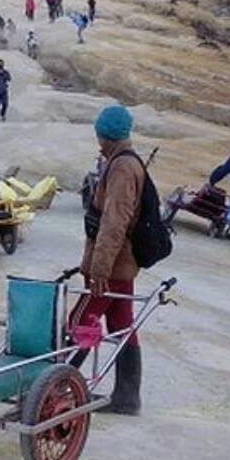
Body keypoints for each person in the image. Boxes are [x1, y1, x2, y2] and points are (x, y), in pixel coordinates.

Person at [70, 104, 144, 415]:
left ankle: (58, 386)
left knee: (79, 322)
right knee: (121, 324)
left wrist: (99, 267)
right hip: (122, 265)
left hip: (112, 266)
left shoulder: (122, 168)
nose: (98, 142)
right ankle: (127, 399)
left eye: (100, 136)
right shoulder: (122, 161)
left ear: (109, 136)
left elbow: (115, 221)